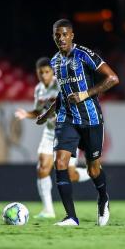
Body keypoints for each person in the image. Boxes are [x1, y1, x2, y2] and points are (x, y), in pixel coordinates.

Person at [37, 19, 120, 226]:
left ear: (72, 35)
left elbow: (112, 78)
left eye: (65, 34)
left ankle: (103, 198)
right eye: (57, 35)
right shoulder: (55, 61)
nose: (61, 38)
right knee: (60, 162)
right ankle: (71, 217)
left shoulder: (84, 54)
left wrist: (85, 94)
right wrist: (47, 114)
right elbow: (62, 95)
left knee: (93, 170)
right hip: (67, 119)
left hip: (91, 119)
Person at [15, 57, 90, 219]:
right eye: (40, 72)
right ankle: (48, 210)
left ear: (52, 71)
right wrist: (26, 114)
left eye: (47, 72)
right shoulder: (39, 90)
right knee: (42, 168)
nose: (44, 75)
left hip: (67, 131)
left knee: (70, 175)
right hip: (50, 133)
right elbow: (38, 111)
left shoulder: (61, 84)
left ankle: (91, 172)